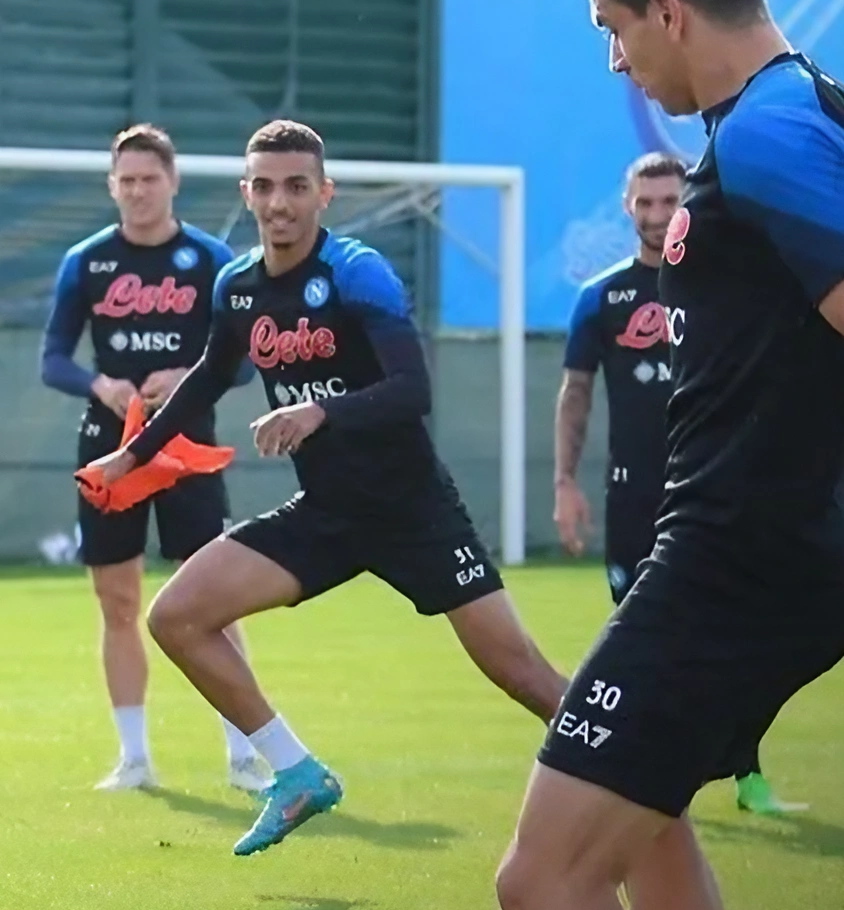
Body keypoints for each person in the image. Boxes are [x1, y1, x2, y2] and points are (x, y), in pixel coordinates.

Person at [496, 0, 844, 909]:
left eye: (615, 28)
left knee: (542, 881)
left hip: (735, 562)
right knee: (650, 828)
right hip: (766, 552)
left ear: (669, 11)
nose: (616, 58)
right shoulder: (821, 110)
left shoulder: (769, 136)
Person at [89, 119, 572, 859]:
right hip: (327, 515)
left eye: (296, 186)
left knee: (523, 675)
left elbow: (413, 389)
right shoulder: (238, 286)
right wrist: (133, 456)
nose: (279, 202)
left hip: (412, 511)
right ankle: (295, 772)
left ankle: (628, 762)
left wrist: (321, 411)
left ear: (324, 192)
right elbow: (207, 382)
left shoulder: (356, 271)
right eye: (265, 186)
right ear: (247, 192)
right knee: (177, 615)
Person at [555, 150, 804, 817]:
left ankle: (745, 770)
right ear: (627, 205)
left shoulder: (718, 285)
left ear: (686, 204)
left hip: (719, 490)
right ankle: (647, 779)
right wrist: (563, 483)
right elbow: (575, 392)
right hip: (635, 493)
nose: (659, 215)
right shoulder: (602, 298)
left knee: (738, 637)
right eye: (647, 202)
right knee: (640, 642)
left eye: (671, 202)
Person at [40, 123, 266, 795]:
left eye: (150, 179)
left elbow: (249, 360)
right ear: (112, 186)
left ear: (173, 183)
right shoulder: (88, 261)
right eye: (126, 180)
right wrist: (98, 383)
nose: (138, 191)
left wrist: (188, 374)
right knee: (117, 602)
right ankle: (134, 757)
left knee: (215, 601)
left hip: (186, 444)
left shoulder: (210, 259)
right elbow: (53, 357)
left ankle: (245, 753)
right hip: (109, 447)